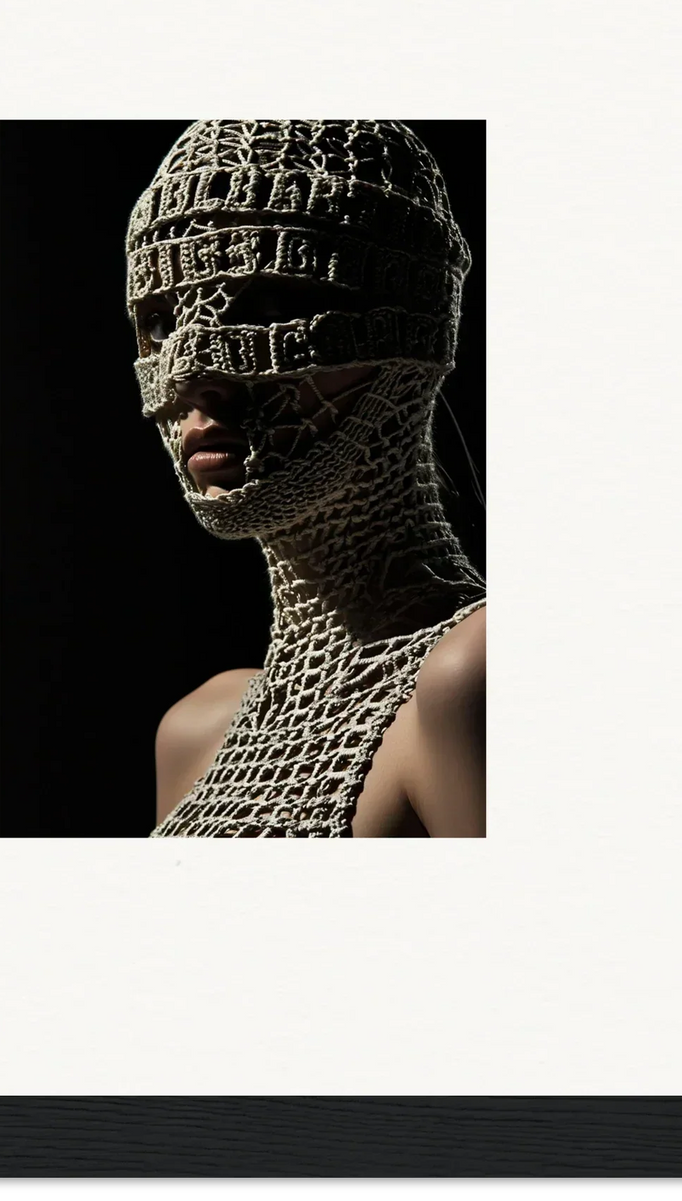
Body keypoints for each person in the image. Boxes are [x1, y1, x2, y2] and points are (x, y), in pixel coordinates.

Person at [126, 120, 487, 838]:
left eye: (268, 303)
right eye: (161, 323)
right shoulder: (195, 733)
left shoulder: (468, 679)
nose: (190, 374)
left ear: (414, 329)